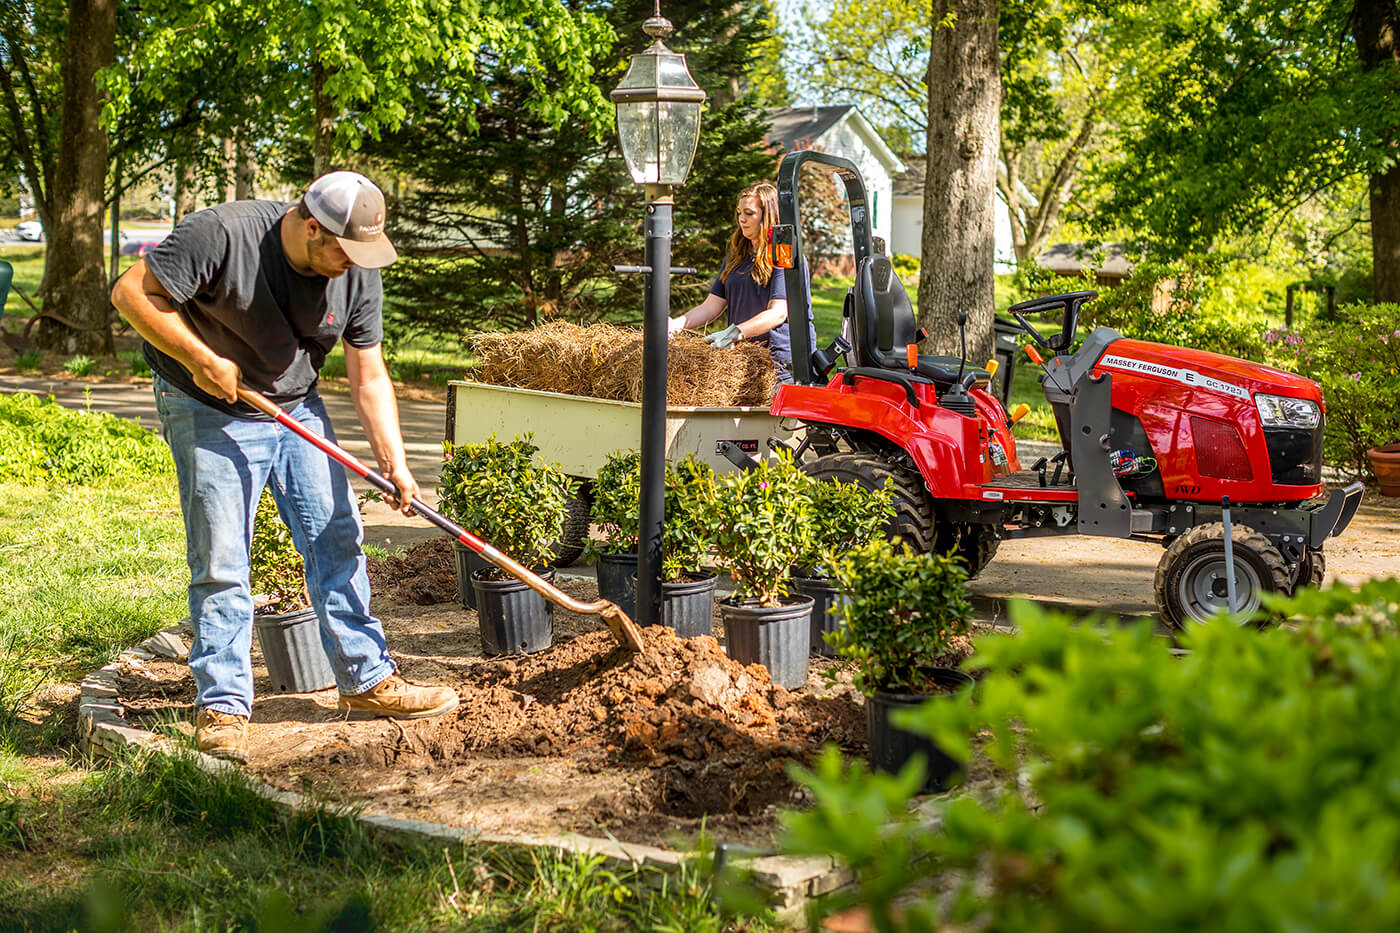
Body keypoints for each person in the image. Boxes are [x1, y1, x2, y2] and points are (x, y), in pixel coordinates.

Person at [111, 170, 458, 764]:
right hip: (207, 402)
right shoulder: (222, 233)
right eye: (343, 252)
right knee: (223, 557)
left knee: (337, 537)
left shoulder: (357, 269)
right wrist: (200, 358)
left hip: (294, 403)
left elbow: (368, 372)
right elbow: (130, 294)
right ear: (311, 226)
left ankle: (366, 679)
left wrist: (395, 462)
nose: (353, 265)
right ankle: (222, 703)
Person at [668, 181, 816, 380]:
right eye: (739, 213)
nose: (742, 219)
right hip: (744, 360)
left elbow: (778, 313)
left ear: (767, 215)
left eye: (749, 213)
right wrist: (675, 325)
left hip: (779, 368)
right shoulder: (736, 256)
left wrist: (736, 332)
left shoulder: (784, 254)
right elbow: (711, 307)